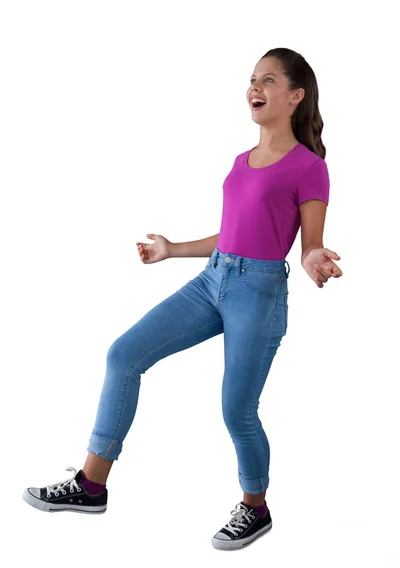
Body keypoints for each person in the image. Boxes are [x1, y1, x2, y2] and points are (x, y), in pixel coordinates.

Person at [22, 47, 342, 551]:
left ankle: (255, 508)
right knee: (123, 355)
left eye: (269, 80)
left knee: (237, 410)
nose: (255, 87)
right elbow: (233, 234)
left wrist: (314, 259)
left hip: (258, 293)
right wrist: (173, 250)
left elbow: (310, 244)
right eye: (253, 78)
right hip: (213, 280)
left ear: (296, 97)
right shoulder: (242, 161)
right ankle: (90, 484)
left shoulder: (308, 168)